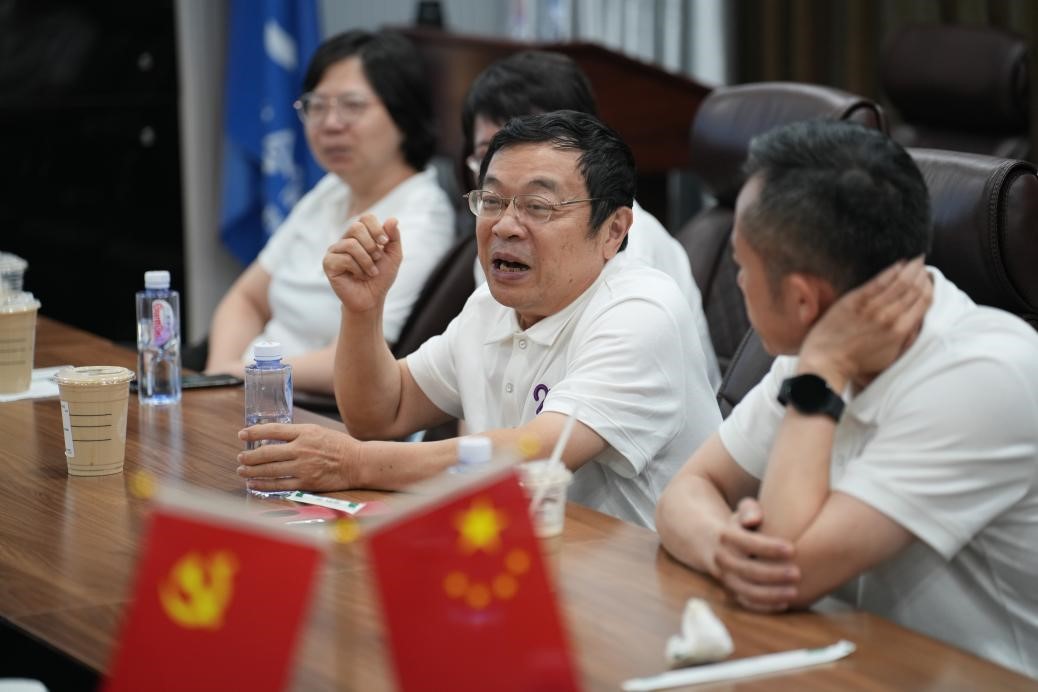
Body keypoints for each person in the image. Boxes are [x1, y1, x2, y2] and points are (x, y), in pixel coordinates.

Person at [655, 120, 1038, 676]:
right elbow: (685, 491)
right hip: (855, 662)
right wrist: (723, 546)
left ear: (803, 299)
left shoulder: (985, 376)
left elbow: (786, 575)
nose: (736, 282)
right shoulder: (819, 345)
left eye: (741, 265)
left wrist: (822, 372)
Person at [237, 111, 721, 528]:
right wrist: (363, 310)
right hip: (523, 554)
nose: (505, 225)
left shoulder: (641, 310)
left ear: (613, 231)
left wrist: (353, 463)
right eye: (491, 201)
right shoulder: (491, 305)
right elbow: (382, 412)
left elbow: (535, 453)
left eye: (538, 207)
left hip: (637, 584)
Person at [203, 30, 455, 393]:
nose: (330, 124)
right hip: (242, 387)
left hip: (307, 405)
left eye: (352, 105)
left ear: (404, 114)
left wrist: (241, 375)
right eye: (317, 106)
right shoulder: (332, 189)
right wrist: (217, 376)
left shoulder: (420, 218)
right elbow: (247, 299)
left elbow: (358, 362)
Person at [460, 50, 721, 390]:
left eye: (536, 143)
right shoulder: (502, 243)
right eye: (488, 154)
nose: (505, 225)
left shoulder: (626, 260)